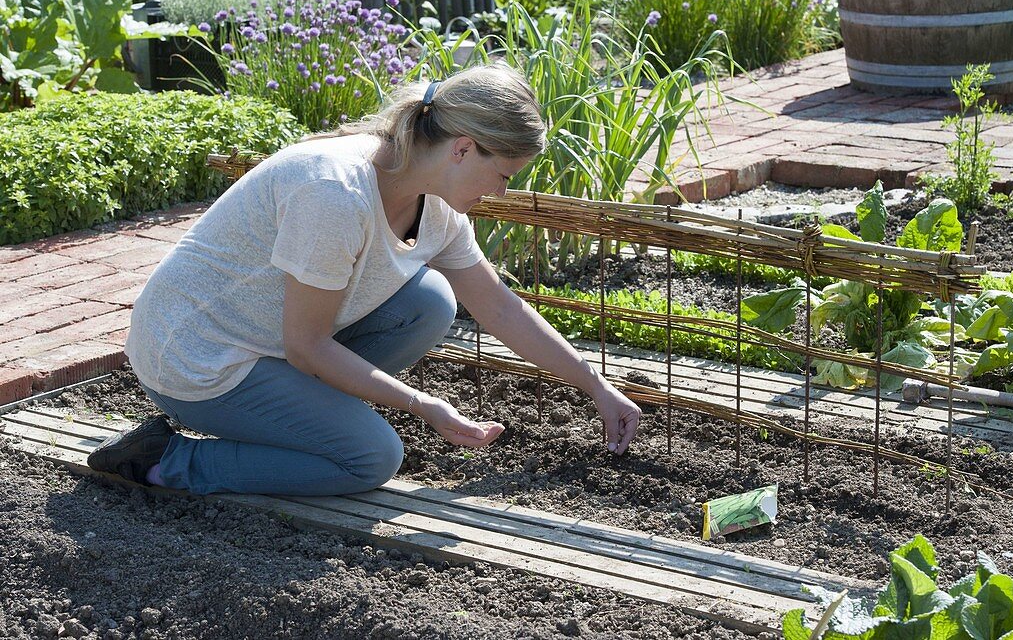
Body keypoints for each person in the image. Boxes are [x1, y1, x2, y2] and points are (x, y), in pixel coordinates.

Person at [88, 63, 641, 496]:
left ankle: (297, 420)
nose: (499, 191)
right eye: (501, 175)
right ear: (462, 148)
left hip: (267, 342)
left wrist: (596, 386)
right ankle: (167, 460)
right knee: (369, 458)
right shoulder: (334, 193)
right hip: (196, 359)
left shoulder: (437, 204)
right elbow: (305, 347)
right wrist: (423, 405)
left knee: (428, 301)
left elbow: (499, 308)